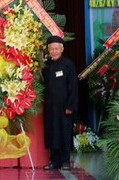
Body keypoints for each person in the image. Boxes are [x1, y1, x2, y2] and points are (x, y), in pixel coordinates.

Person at [42, 35, 79, 170]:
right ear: (48, 50)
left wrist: (70, 105)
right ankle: (54, 160)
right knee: (52, 132)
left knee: (64, 132)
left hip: (64, 107)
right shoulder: (46, 65)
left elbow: (73, 86)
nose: (54, 51)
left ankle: (65, 160)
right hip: (50, 107)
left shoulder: (68, 64)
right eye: (52, 49)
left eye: (57, 49)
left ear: (62, 49)